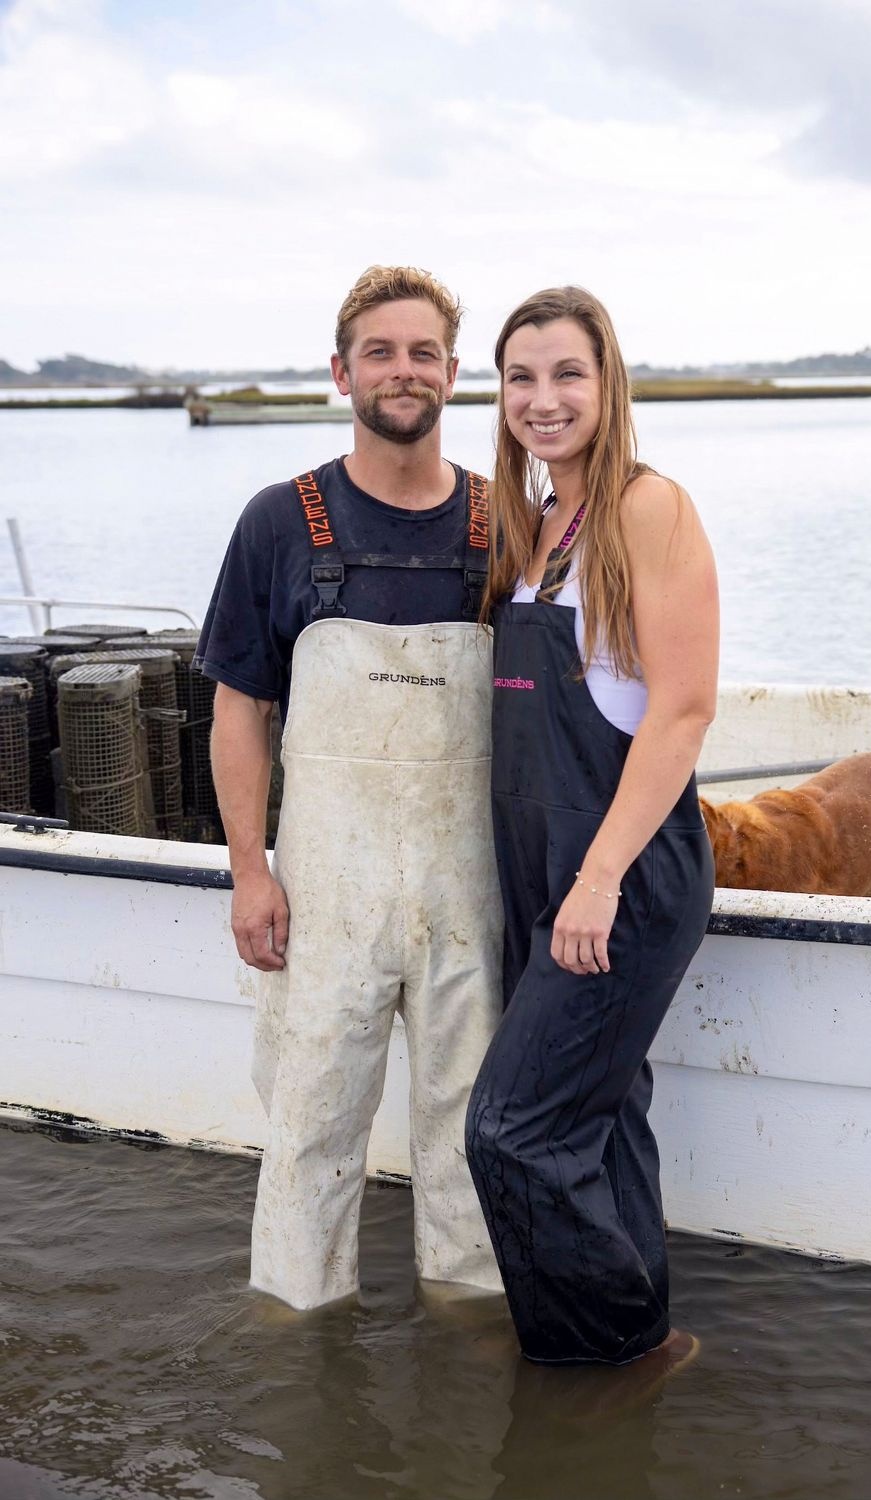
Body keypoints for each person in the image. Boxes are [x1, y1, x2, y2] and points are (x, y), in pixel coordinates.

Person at [196, 265, 503, 1310]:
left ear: (454, 375)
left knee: (470, 1131)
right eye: (380, 351)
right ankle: (295, 1336)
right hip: (325, 894)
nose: (402, 370)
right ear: (341, 372)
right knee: (309, 1129)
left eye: (423, 352)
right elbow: (239, 710)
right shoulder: (280, 523)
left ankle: (471, 1351)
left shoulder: (506, 525)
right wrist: (250, 873)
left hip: (474, 891)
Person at [465, 287, 718, 1369]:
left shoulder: (645, 506)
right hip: (546, 870)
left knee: (509, 1133)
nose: (542, 398)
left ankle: (601, 1363)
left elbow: (682, 708)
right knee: (599, 1119)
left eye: (566, 373)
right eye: (520, 377)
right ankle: (646, 1336)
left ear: (609, 382)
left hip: (621, 878)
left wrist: (601, 877)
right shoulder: (532, 525)